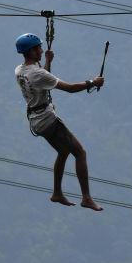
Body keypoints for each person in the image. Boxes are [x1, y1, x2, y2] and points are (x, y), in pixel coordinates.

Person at [14, 33, 104, 211]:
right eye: (38, 48)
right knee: (80, 152)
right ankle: (86, 198)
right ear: (31, 52)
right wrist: (92, 82)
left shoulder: (20, 70)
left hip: (36, 119)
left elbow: (42, 79)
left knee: (63, 152)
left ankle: (57, 193)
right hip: (47, 120)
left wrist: (48, 62)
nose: (41, 50)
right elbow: (69, 88)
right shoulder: (37, 73)